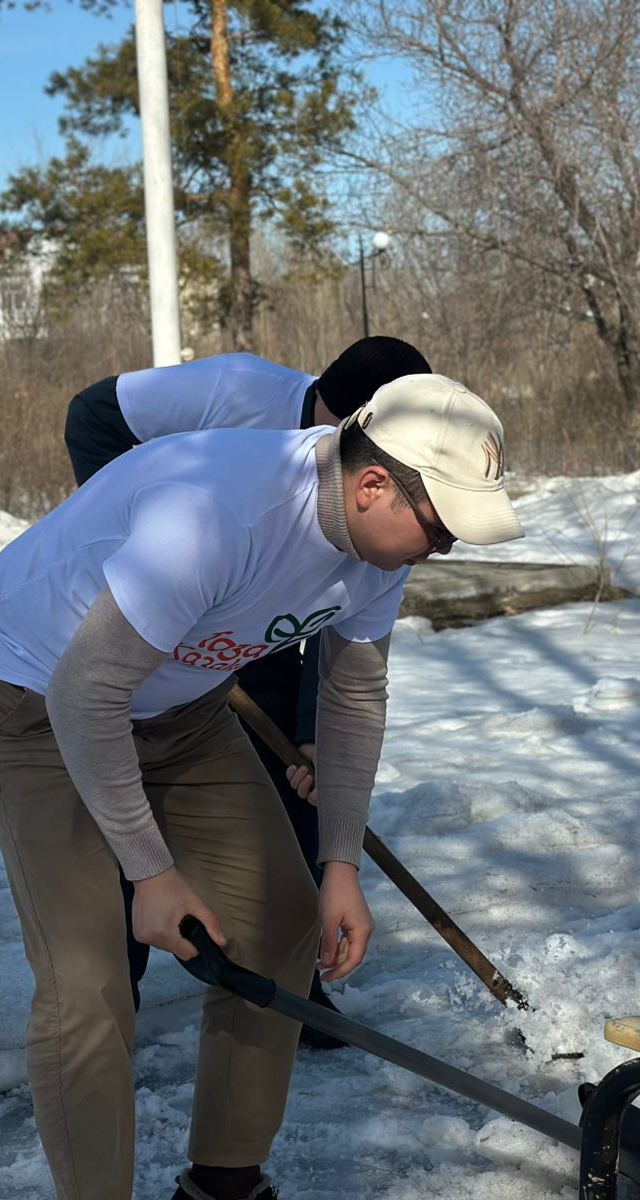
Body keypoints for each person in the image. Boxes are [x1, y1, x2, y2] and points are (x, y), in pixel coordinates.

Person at [0, 373, 523, 1200]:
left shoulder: (380, 543)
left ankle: (223, 1183)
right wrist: (151, 875)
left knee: (285, 921)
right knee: (89, 982)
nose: (442, 551)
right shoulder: (219, 514)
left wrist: (339, 867)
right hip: (40, 699)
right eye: (440, 531)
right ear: (374, 484)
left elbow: (354, 694)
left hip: (179, 705)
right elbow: (84, 694)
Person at [64, 338, 432, 1045]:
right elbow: (92, 414)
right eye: (346, 423)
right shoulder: (234, 390)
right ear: (323, 396)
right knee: (119, 795)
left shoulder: (371, 490)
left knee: (287, 782)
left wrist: (313, 736)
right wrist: (129, 538)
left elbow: (338, 632)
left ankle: (300, 988)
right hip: (155, 602)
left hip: (254, 616)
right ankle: (118, 1005)